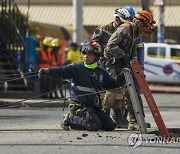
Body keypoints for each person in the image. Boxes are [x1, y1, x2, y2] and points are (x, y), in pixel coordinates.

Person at [38, 40, 125, 131]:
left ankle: (89, 120)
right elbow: (61, 71)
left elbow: (112, 84)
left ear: (96, 57)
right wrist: (47, 71)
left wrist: (122, 76)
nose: (86, 56)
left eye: (89, 54)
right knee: (94, 125)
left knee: (110, 126)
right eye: (85, 54)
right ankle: (69, 119)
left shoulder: (101, 72)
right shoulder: (77, 68)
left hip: (93, 107)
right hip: (79, 106)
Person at [104, 10, 156, 130]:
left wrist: (137, 69)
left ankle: (134, 122)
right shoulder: (125, 28)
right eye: (145, 28)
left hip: (124, 64)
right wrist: (123, 56)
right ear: (139, 23)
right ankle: (102, 117)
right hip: (112, 64)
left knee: (133, 91)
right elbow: (110, 46)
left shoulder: (135, 34)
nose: (145, 32)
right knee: (113, 92)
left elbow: (133, 53)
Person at [91, 8, 131, 127]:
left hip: (118, 64)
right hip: (103, 64)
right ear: (116, 19)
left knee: (119, 91)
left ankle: (117, 116)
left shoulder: (124, 31)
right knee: (105, 91)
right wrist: (101, 57)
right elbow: (92, 45)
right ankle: (104, 114)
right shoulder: (102, 29)